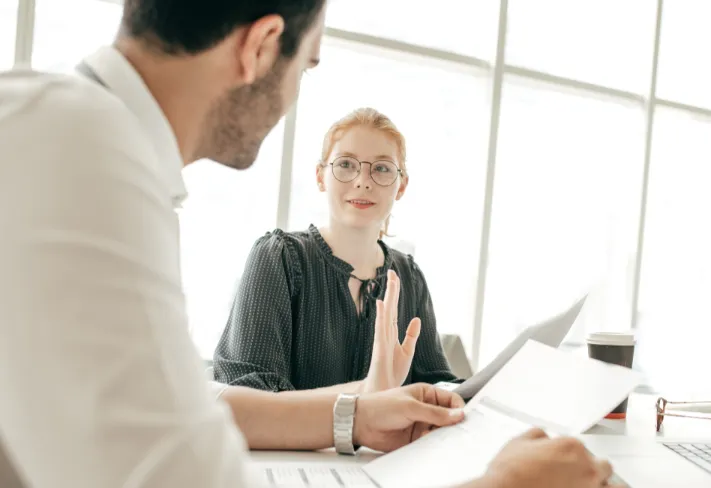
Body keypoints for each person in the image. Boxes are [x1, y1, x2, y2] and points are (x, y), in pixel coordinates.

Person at [0, 0, 622, 487]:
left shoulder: (62, 130)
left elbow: (195, 405)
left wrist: (360, 414)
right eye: (308, 65)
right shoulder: (87, 162)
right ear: (263, 45)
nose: (295, 90)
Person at [214, 108, 458, 395]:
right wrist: (367, 393)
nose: (363, 181)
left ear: (401, 186)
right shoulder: (278, 259)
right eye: (346, 164)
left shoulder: (410, 278)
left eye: (381, 168)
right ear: (320, 177)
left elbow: (436, 388)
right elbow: (251, 395)